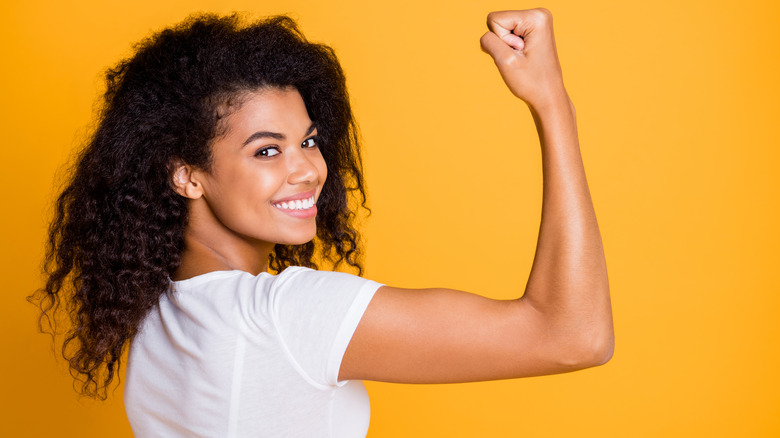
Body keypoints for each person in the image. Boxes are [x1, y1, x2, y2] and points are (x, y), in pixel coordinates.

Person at [32, 8, 614, 437]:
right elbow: (573, 337)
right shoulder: (286, 314)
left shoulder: (158, 309)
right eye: (266, 150)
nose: (308, 169)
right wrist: (551, 102)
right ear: (186, 175)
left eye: (307, 141)